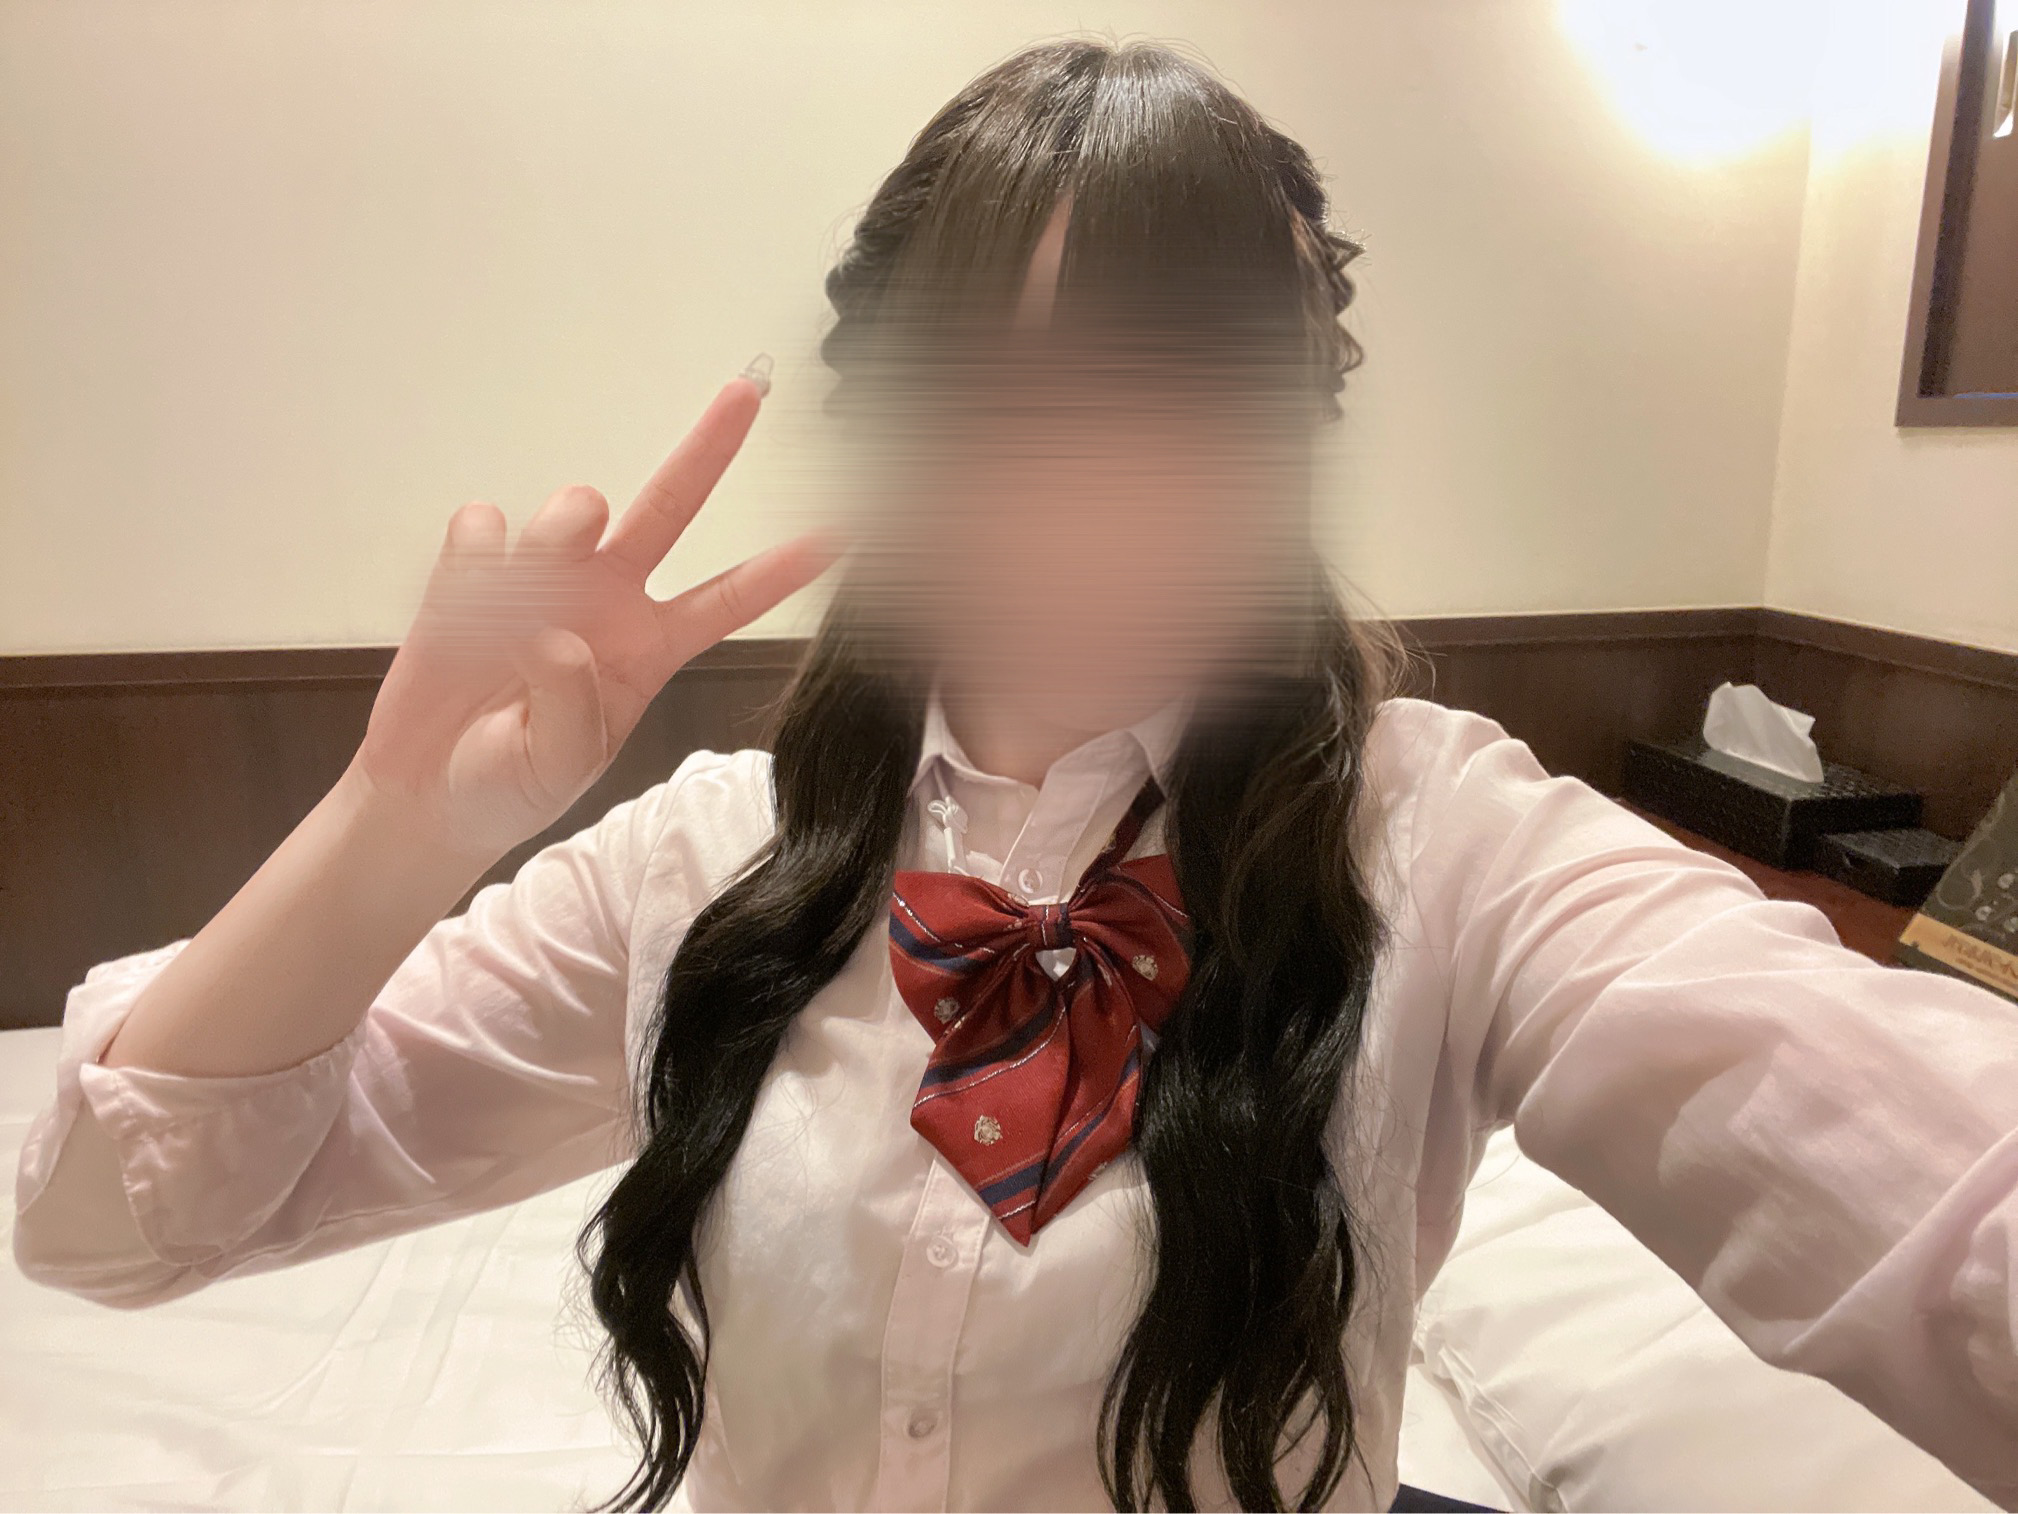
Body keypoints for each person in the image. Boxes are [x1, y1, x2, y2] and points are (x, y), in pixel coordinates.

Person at [13, 38, 2018, 1514]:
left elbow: (1920, 1186)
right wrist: (396, 826)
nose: (1092, 490)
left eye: (1190, 396)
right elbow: (109, 1224)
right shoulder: (705, 867)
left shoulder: (1447, 844)